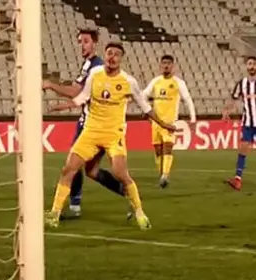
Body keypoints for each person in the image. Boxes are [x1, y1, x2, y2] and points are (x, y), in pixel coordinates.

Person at [45, 42, 177, 230]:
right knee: (69, 169)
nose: (112, 57)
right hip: (91, 131)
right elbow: (83, 97)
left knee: (120, 174)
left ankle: (139, 211)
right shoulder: (95, 74)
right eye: (109, 53)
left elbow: (146, 107)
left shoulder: (128, 81)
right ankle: (55, 214)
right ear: (105, 55)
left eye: (116, 54)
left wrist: (164, 124)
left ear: (121, 58)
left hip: (113, 134)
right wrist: (65, 106)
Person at [42, 29, 125, 219]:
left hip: (93, 125)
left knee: (72, 167)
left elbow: (76, 92)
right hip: (86, 122)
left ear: (94, 43)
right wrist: (65, 105)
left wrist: (51, 84)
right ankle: (125, 191)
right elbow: (82, 96)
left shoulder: (96, 66)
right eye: (80, 41)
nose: (82, 45)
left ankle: (72, 207)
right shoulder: (88, 65)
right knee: (92, 171)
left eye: (86, 41)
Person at [141, 54, 197, 188]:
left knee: (167, 148)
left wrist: (193, 118)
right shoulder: (156, 81)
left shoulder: (178, 83)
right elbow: (143, 95)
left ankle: (165, 175)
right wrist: (146, 111)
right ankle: (162, 176)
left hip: (170, 123)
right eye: (164, 63)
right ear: (160, 66)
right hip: (156, 123)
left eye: (168, 63)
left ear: (173, 66)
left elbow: (188, 100)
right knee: (158, 151)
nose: (166, 65)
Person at [222, 56, 256, 191]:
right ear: (246, 66)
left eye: (254, 64)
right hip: (248, 122)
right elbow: (234, 98)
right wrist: (226, 110)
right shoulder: (242, 83)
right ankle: (238, 179)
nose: (252, 66)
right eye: (249, 64)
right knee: (243, 147)